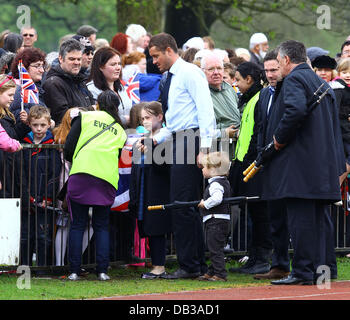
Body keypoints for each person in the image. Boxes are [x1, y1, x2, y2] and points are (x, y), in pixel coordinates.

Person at [262, 40, 344, 285]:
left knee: (300, 222)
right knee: (318, 222)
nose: (277, 67)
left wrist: (277, 140)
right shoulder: (320, 82)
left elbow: (295, 111)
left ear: (286, 60)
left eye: (277, 62)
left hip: (300, 166)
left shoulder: (295, 80)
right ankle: (321, 270)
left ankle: (302, 271)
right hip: (320, 166)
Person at [148, 32, 216, 279]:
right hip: (180, 139)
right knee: (183, 205)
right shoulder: (170, 77)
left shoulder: (189, 73)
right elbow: (175, 121)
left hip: (191, 140)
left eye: (156, 56)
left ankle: (191, 265)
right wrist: (153, 139)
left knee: (183, 204)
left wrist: (204, 148)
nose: (154, 61)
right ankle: (194, 264)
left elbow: (205, 109)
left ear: (168, 49)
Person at [64, 90, 127, 281]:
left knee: (77, 225)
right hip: (106, 178)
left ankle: (74, 271)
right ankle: (102, 271)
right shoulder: (121, 130)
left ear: (97, 103)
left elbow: (69, 148)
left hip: (82, 173)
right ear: (116, 106)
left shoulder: (85, 117)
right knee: (101, 226)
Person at [228, 62, 273, 275]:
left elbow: (258, 134)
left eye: (237, 79)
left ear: (249, 79)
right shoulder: (252, 99)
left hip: (253, 165)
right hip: (245, 162)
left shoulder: (259, 99)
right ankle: (254, 257)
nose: (235, 84)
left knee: (260, 213)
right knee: (255, 213)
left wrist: (249, 161)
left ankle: (262, 259)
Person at [253, 49, 290, 280]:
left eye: (274, 70)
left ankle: (298, 264)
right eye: (266, 71)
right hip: (267, 161)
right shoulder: (265, 94)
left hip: (287, 161)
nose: (270, 75)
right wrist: (260, 155)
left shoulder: (290, 91)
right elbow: (261, 127)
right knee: (273, 215)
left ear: (283, 67)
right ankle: (279, 264)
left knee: (289, 215)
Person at [131, 102, 171, 279]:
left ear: (159, 117)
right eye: (142, 119)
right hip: (143, 187)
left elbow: (165, 167)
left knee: (157, 227)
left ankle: (159, 266)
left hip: (158, 188)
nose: (145, 122)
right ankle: (155, 263)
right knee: (147, 225)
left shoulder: (165, 138)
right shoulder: (143, 138)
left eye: (148, 117)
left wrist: (152, 149)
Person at [21, 105, 61, 267]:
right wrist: (26, 195)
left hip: (45, 199)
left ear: (49, 124)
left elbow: (55, 174)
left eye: (42, 125)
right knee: (25, 236)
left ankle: (43, 269)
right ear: (29, 124)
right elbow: (21, 173)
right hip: (27, 198)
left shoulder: (53, 144)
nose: (39, 129)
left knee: (43, 236)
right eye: (35, 125)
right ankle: (24, 268)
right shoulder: (24, 143)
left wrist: (48, 197)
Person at [52, 107, 93, 266]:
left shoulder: (62, 135)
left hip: (76, 182)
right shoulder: (61, 137)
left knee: (85, 223)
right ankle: (62, 263)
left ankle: (70, 261)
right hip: (70, 182)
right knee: (66, 223)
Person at [43, 39, 95, 125]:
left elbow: (92, 102)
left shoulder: (79, 80)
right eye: (72, 59)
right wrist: (91, 110)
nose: (76, 63)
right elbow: (63, 117)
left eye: (79, 59)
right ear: (60, 58)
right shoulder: (53, 84)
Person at [197, 151, 231, 282]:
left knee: (215, 248)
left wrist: (205, 204)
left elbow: (217, 198)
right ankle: (212, 271)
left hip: (215, 220)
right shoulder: (224, 182)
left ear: (213, 170)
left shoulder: (215, 184)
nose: (203, 170)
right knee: (214, 247)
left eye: (205, 167)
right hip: (220, 221)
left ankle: (220, 274)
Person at [201, 52, 240, 159]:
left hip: (236, 148)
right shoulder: (201, 93)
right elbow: (199, 130)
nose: (216, 72)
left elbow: (239, 111)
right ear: (202, 71)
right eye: (211, 69)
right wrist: (224, 133)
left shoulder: (228, 87)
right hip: (215, 151)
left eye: (219, 68)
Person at [0, 75, 29, 198]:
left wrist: (24, 124)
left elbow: (13, 136)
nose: (13, 99)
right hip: (3, 167)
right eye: (10, 95)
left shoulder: (7, 114)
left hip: (10, 164)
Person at [87, 46, 132, 125]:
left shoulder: (121, 87)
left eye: (119, 64)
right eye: (113, 64)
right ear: (101, 67)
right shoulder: (91, 90)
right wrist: (124, 119)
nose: (118, 68)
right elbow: (98, 119)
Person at [10, 47, 47, 122]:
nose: (42, 70)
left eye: (42, 66)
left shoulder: (37, 87)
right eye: (37, 66)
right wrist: (28, 121)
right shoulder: (17, 91)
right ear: (24, 67)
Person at [330, 58, 350, 186]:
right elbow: (335, 110)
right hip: (342, 131)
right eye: (344, 72)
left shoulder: (347, 89)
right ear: (338, 73)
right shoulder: (338, 88)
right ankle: (337, 183)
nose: (348, 75)